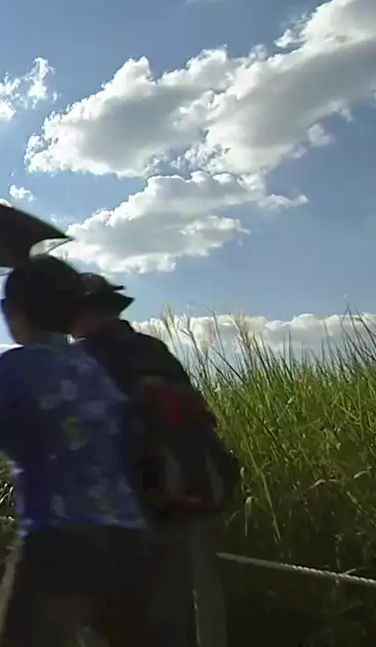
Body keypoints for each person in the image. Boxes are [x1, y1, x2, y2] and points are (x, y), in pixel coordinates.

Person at [0, 255, 157, 647]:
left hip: (57, 543)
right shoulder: (92, 366)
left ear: (10, 311)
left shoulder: (17, 366)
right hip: (128, 543)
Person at [72, 273, 236, 647]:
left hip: (120, 509)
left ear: (83, 312)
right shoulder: (153, 349)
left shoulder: (85, 358)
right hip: (181, 492)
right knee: (170, 619)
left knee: (107, 623)